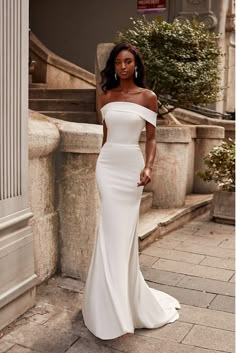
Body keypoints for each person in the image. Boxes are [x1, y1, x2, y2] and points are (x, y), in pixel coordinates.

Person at [82, 43, 180, 340]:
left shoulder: (147, 97)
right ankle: (107, 305)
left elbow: (151, 138)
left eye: (128, 62)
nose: (123, 67)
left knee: (123, 236)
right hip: (108, 167)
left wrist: (149, 166)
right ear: (113, 66)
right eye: (118, 62)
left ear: (136, 65)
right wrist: (101, 163)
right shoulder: (106, 97)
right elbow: (106, 135)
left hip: (131, 169)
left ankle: (123, 303)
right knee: (109, 232)